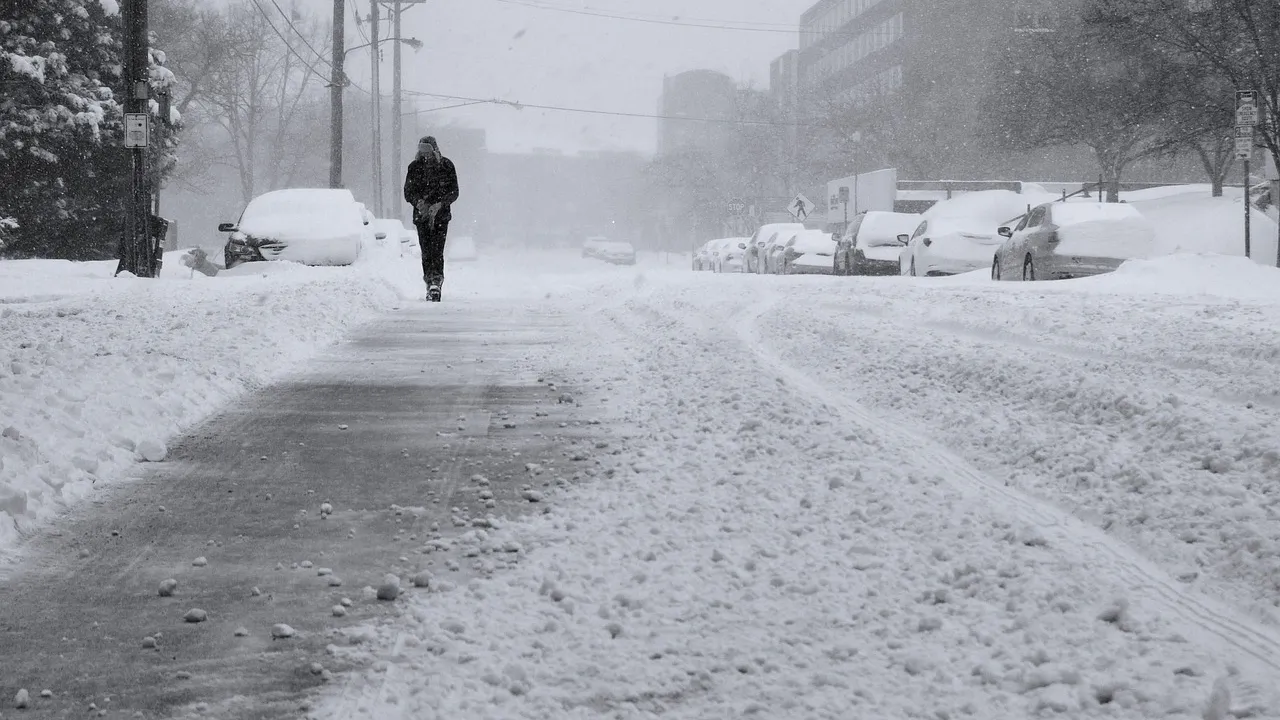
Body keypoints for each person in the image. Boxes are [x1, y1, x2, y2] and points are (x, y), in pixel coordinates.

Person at [403, 136, 460, 301]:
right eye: (422, 150)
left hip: (441, 217)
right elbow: (408, 191)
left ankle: (436, 281)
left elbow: (454, 191)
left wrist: (440, 204)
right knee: (426, 250)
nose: (425, 154)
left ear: (434, 149)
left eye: (428, 150)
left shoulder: (446, 166)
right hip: (421, 217)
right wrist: (418, 202)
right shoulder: (414, 167)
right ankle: (429, 281)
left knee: (437, 250)